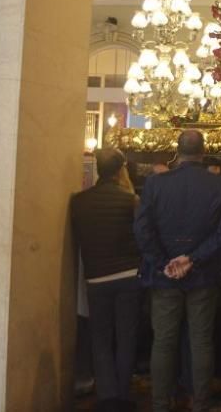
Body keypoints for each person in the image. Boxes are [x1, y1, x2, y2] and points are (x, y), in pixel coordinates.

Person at [134, 130, 221, 412]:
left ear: (177, 152)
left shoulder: (155, 184)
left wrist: (162, 263)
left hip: (164, 276)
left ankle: (160, 404)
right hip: (203, 275)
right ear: (203, 152)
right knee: (201, 342)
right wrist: (193, 259)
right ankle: (200, 404)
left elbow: (142, 230)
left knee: (164, 343)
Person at [71, 148, 141, 411]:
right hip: (127, 275)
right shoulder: (130, 199)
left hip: (96, 277)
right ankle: (123, 394)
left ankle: (107, 395)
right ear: (120, 169)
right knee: (126, 336)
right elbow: (140, 236)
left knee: (100, 337)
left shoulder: (79, 201)